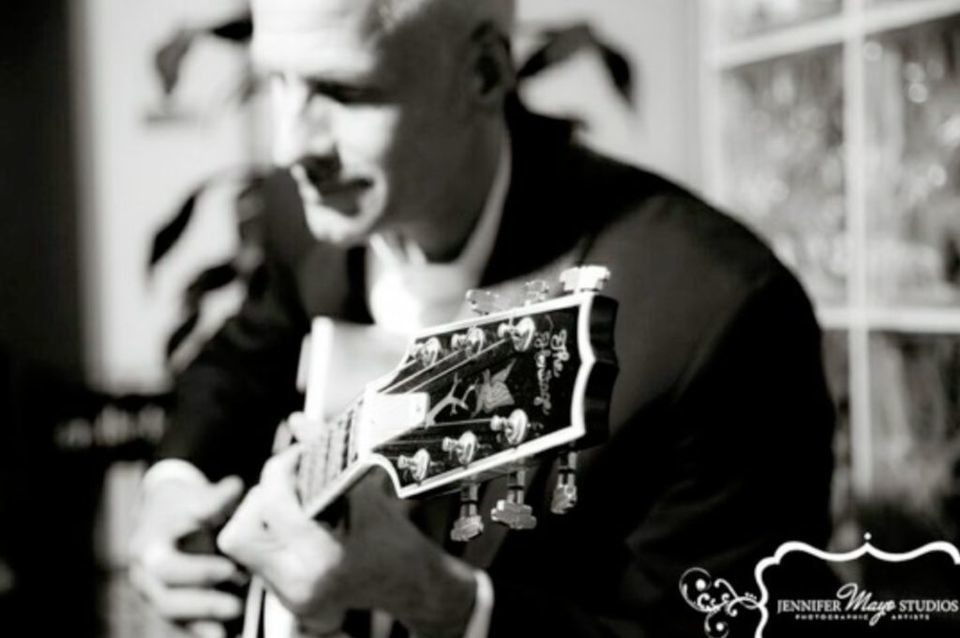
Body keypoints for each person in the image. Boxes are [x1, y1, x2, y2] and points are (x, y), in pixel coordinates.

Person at [130, 0, 837, 636]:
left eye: (344, 91)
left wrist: (447, 604)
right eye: (278, 82)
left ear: (484, 72)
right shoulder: (308, 212)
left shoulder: (718, 313)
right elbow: (239, 361)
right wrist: (173, 490)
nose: (292, 147)